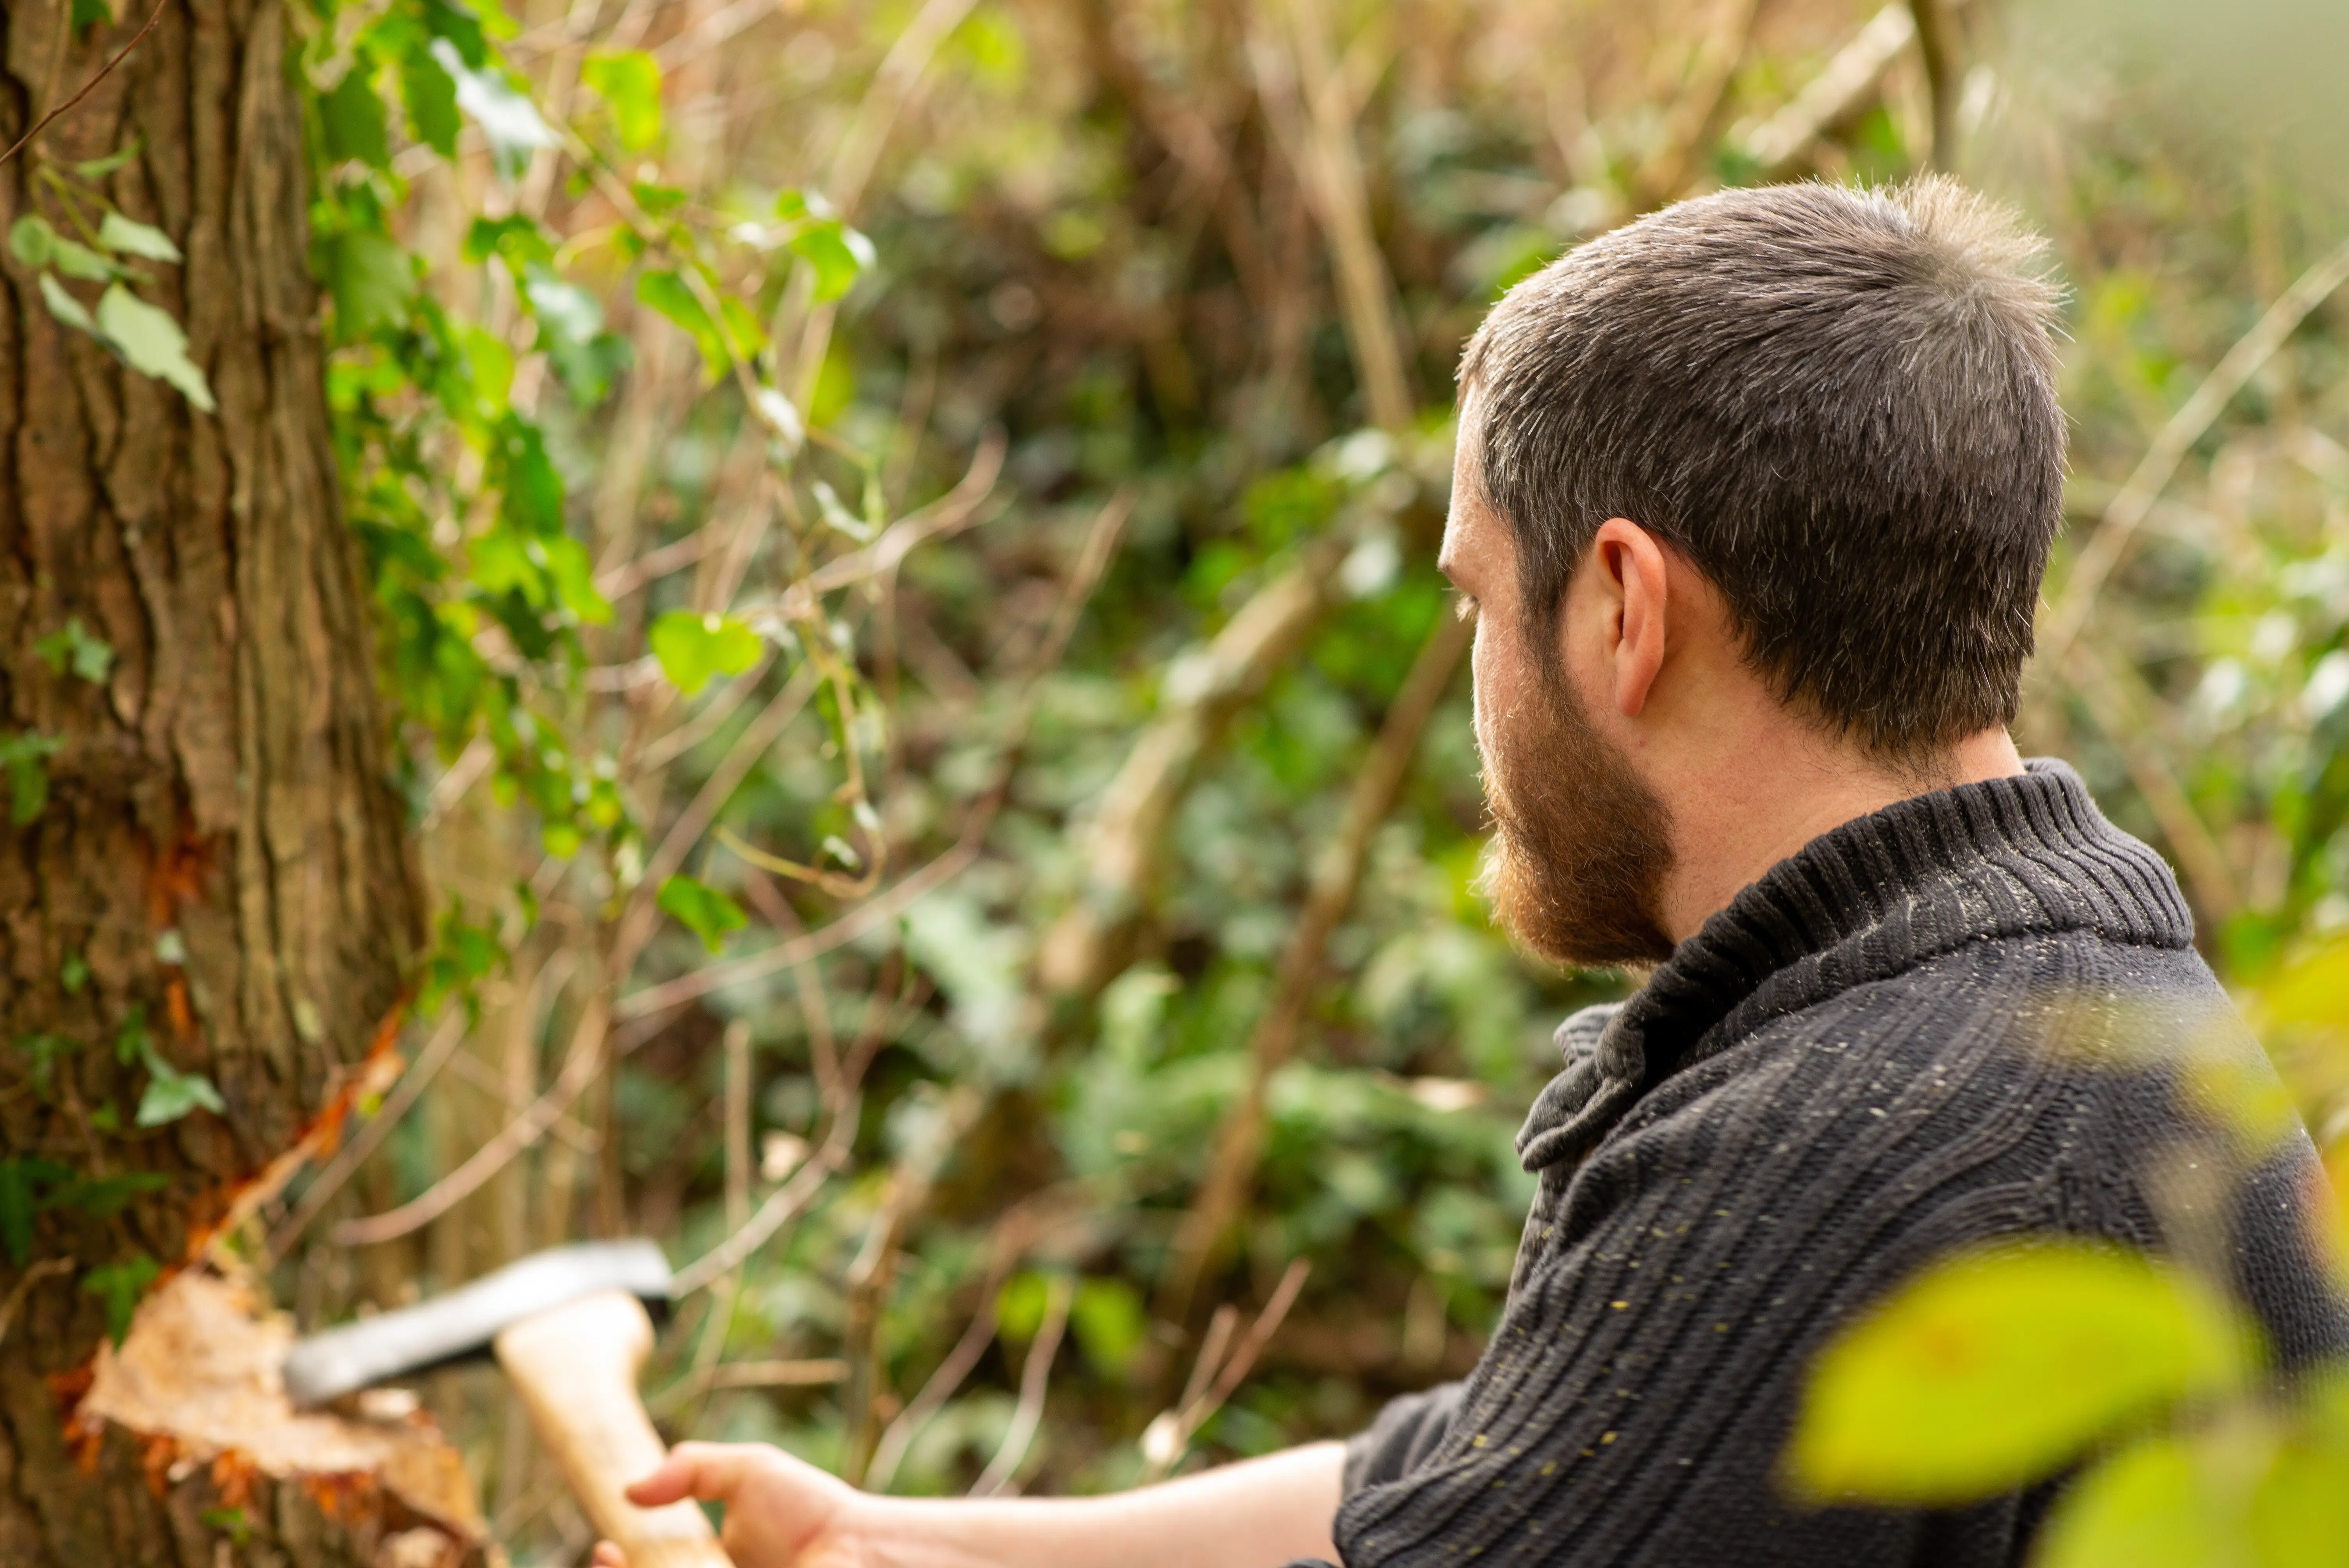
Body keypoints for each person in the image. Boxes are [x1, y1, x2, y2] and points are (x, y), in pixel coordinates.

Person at [594, 177, 2348, 1568]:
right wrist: (894, 1532)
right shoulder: (2071, 1004)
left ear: (1622, 607)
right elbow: (1461, 1486)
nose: (1473, 682)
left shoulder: (1852, 1149)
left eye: (1472, 599)